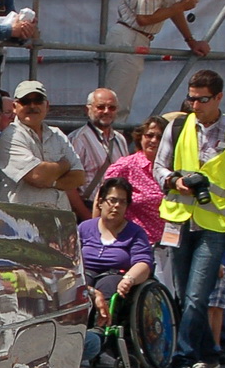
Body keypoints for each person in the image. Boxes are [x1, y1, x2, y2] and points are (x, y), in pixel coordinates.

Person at [153, 69, 225, 368]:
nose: (196, 104)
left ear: (218, 98)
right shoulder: (177, 126)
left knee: (198, 296)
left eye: (202, 99)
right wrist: (175, 180)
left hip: (215, 224)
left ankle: (181, 360)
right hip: (179, 218)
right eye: (192, 98)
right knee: (185, 294)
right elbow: (159, 167)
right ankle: (209, 353)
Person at [104, 0, 210, 123]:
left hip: (133, 37)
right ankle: (109, 154)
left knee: (118, 107)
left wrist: (190, 40)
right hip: (130, 37)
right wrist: (183, 5)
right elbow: (143, 17)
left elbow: (169, 6)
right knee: (116, 109)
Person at [80, 175, 155, 331]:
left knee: (108, 284)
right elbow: (68, 257)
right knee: (77, 287)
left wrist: (129, 278)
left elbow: (143, 262)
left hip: (114, 275)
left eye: (122, 202)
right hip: (84, 274)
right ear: (100, 202)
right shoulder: (84, 228)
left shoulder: (135, 233)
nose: (116, 206)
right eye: (112, 200)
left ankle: (99, 332)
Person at [0, 80, 83, 211]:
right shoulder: (10, 136)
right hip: (23, 222)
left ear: (47, 105)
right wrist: (64, 165)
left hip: (59, 220)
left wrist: (51, 180)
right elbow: (37, 176)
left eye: (38, 101)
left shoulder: (57, 134)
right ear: (15, 106)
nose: (32, 106)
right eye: (25, 101)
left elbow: (79, 177)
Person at [103, 116, 169, 260]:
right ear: (140, 137)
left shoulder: (174, 167)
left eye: (160, 137)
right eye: (149, 135)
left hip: (171, 246)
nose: (154, 141)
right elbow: (103, 201)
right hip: (136, 244)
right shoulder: (126, 166)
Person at [66, 88, 129, 220]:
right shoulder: (78, 140)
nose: (106, 111)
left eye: (111, 108)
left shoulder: (120, 139)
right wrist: (89, 219)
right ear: (88, 109)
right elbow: (69, 186)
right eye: (100, 107)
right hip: (88, 211)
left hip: (116, 211)